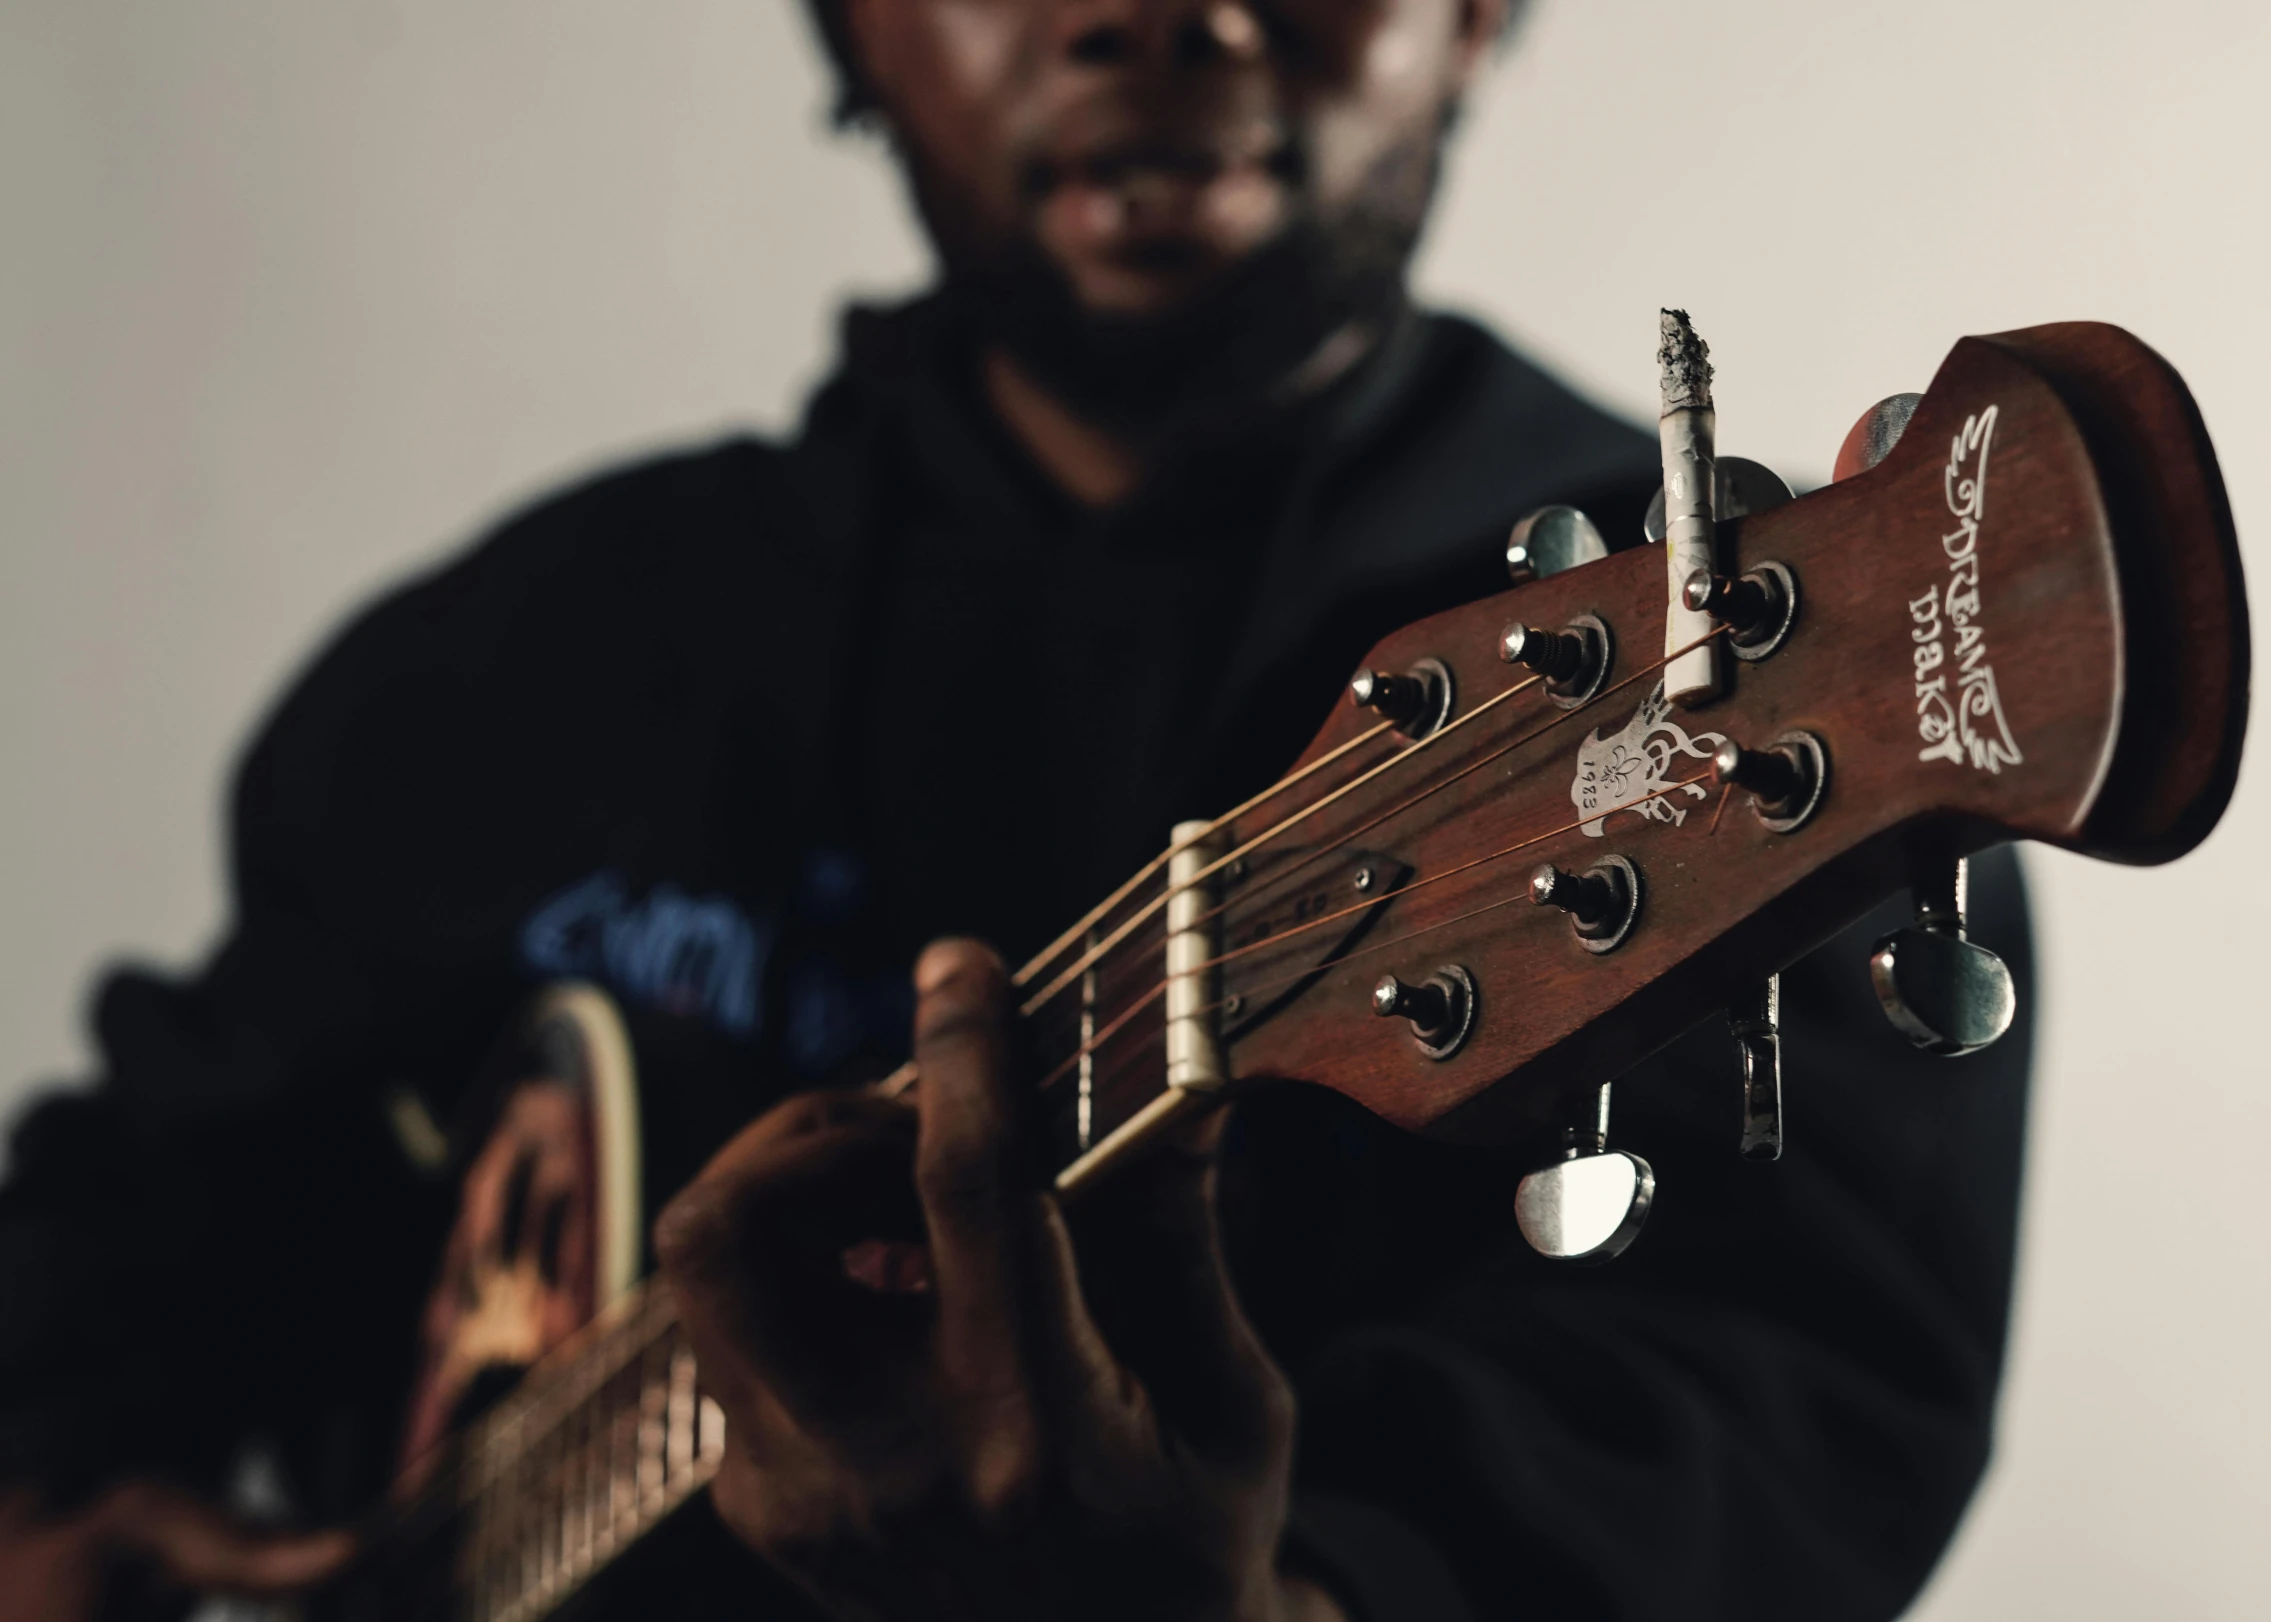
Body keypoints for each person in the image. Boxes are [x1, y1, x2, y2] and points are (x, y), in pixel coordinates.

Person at [0, 2, 2035, 1617]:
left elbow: (1739, 1428)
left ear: (1481, 8)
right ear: (849, 33)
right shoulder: (516, 656)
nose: (1157, 14)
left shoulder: (1730, 682)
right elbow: (153, 1196)